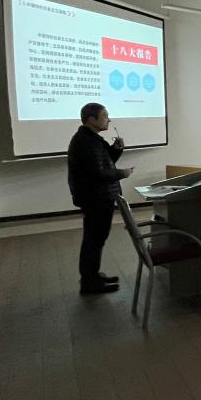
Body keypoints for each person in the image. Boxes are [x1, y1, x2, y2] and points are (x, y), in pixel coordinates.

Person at [67, 102, 132, 294]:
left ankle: (92, 276)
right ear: (91, 120)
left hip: (99, 197)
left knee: (96, 239)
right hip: (95, 198)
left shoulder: (92, 138)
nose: (109, 120)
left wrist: (116, 149)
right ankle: (89, 282)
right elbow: (99, 172)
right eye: (104, 116)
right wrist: (123, 173)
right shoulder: (85, 141)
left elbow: (105, 161)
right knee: (94, 240)